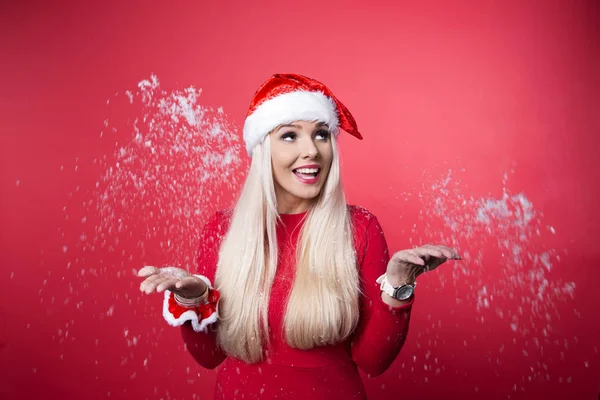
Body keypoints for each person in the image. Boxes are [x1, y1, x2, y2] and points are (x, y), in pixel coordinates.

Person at [137, 73, 461, 399]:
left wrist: (398, 286)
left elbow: (373, 361)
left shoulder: (360, 228)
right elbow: (208, 357)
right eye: (290, 136)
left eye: (321, 134)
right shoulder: (222, 231)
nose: (311, 150)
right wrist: (192, 299)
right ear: (263, 148)